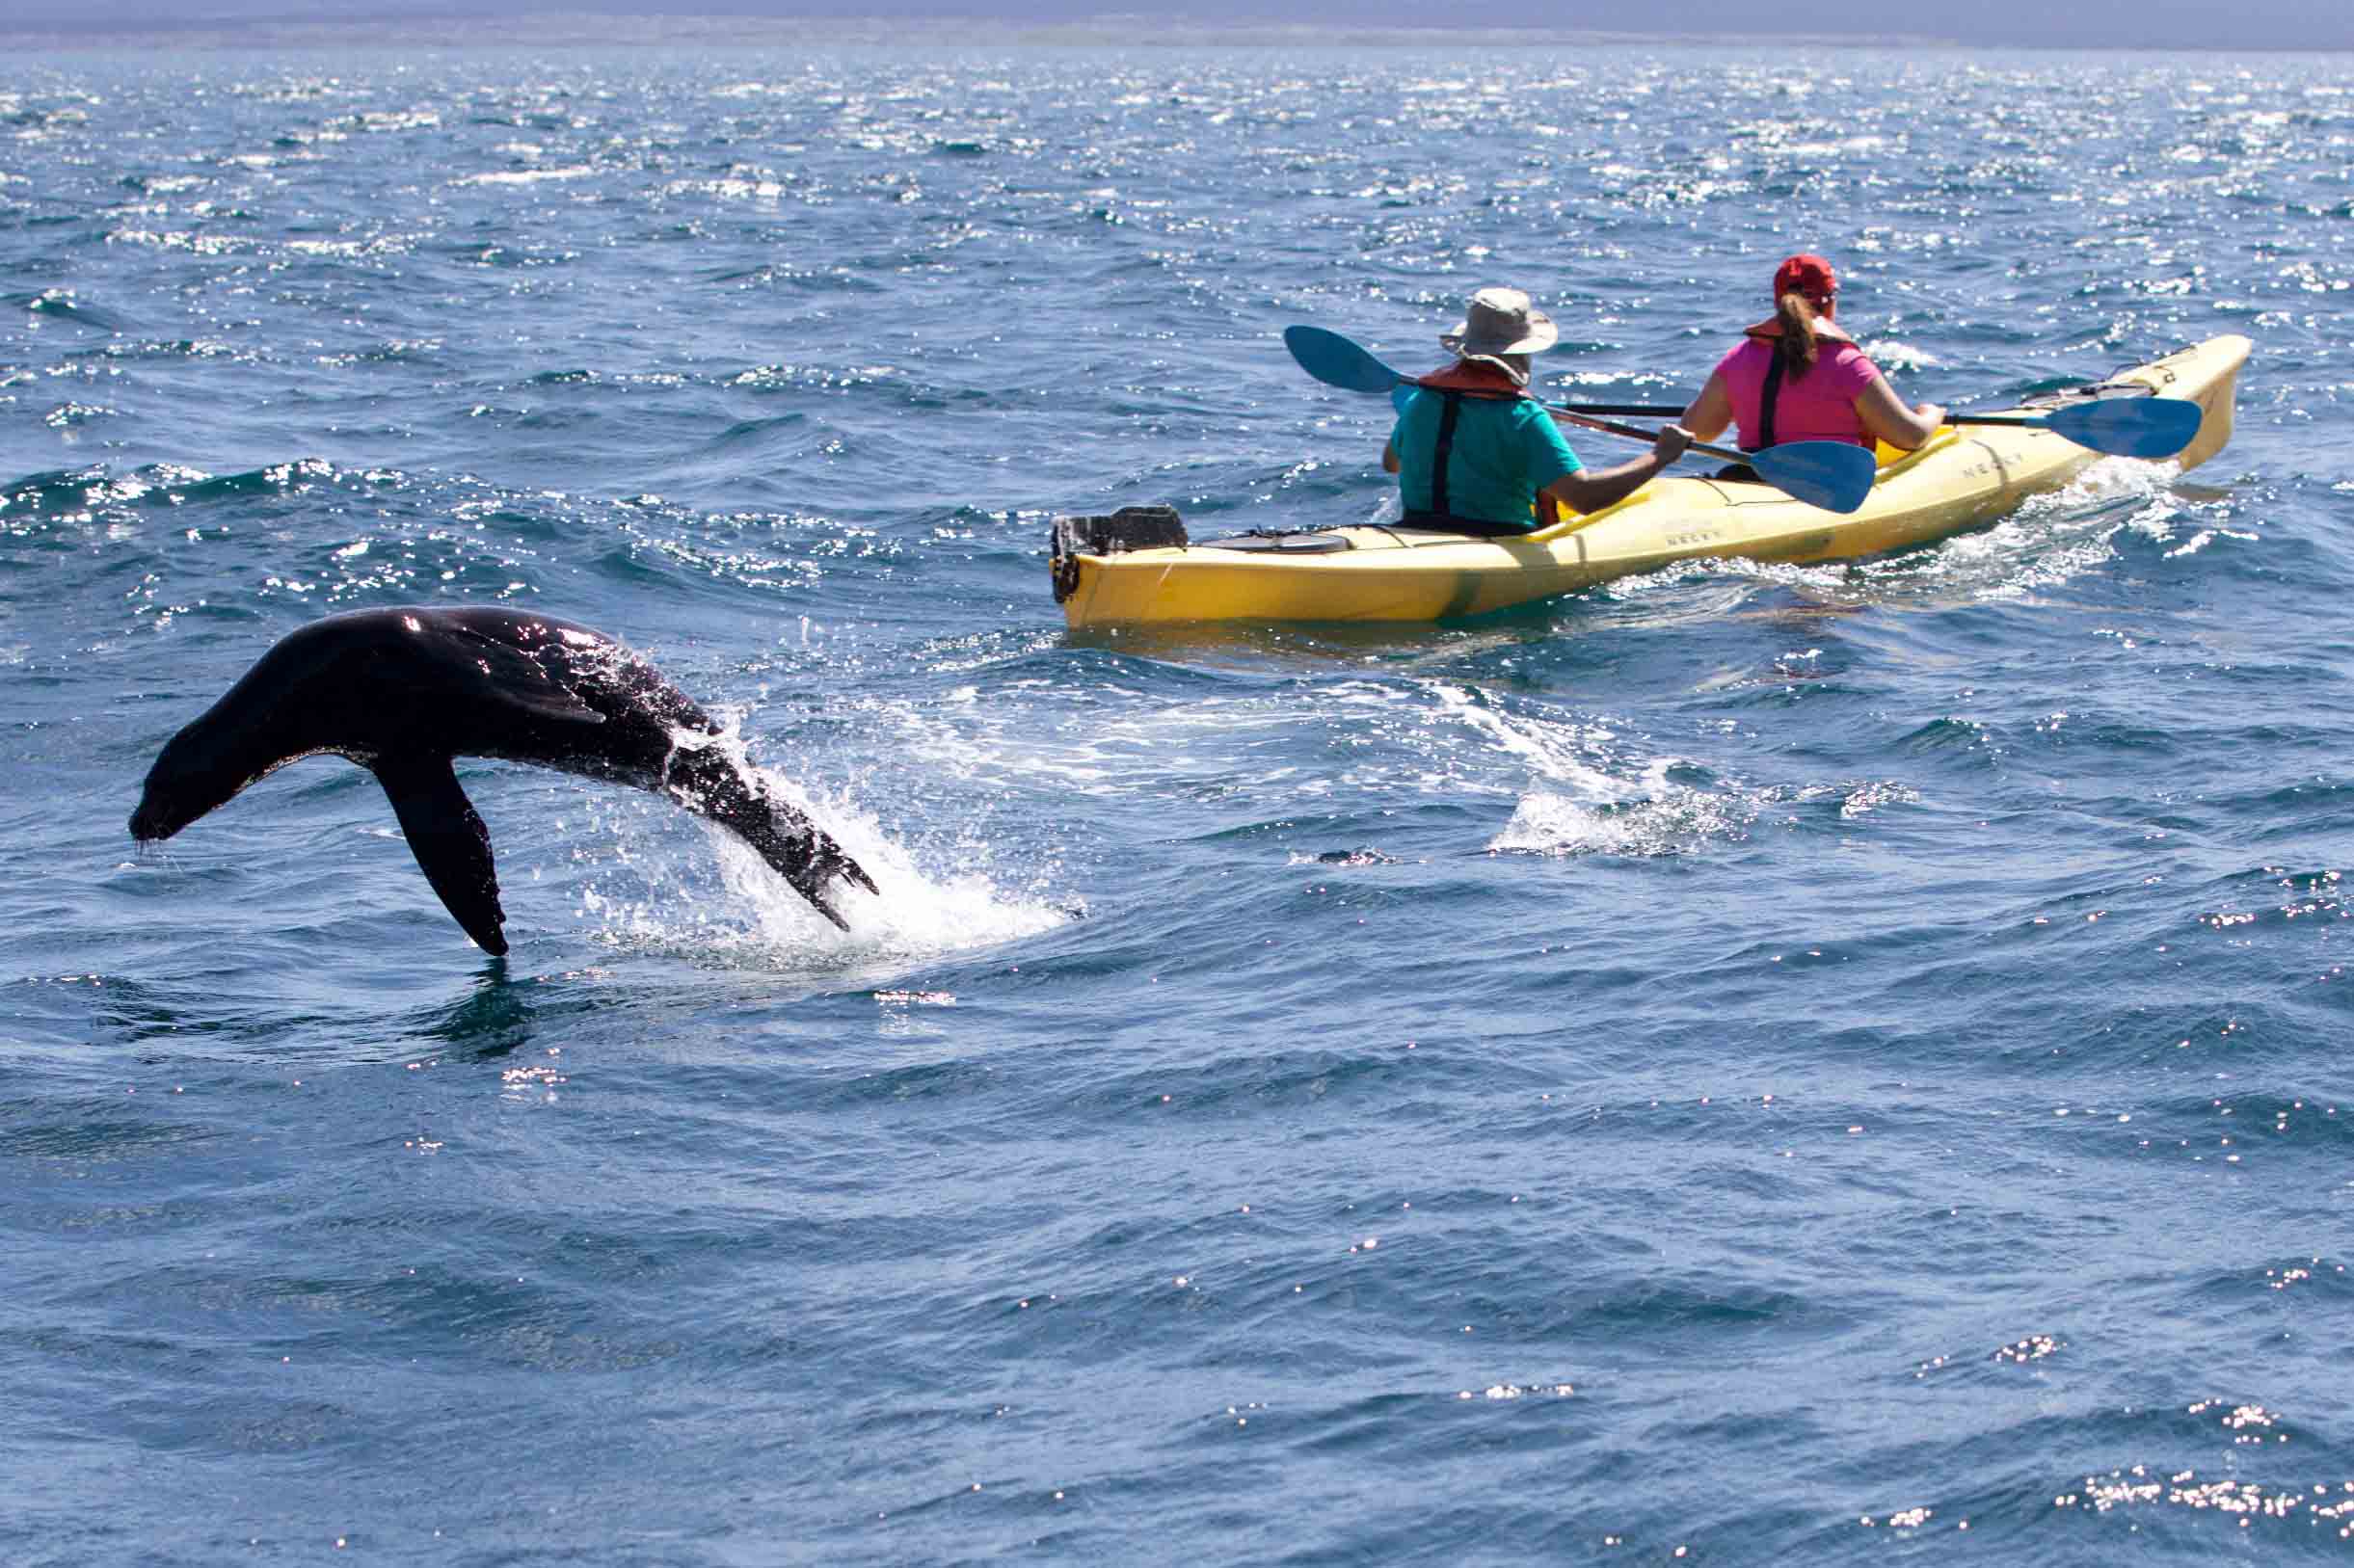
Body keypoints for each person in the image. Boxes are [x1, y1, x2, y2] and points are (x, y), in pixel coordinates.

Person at [1382, 286, 1690, 535]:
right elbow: (1585, 498)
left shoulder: (1422, 400)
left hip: (1416, 530)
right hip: (1497, 541)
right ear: (1524, 349)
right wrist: (1660, 455)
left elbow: (1392, 463)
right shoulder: (1524, 417)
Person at [1679, 253, 1944, 467]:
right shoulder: (1847, 363)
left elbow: (1696, 431)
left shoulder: (1739, 358)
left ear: (1779, 302)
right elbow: (1910, 437)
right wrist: (1932, 414)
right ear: (1829, 301)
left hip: (1754, 478)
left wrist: (1740, 405)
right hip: (1830, 486)